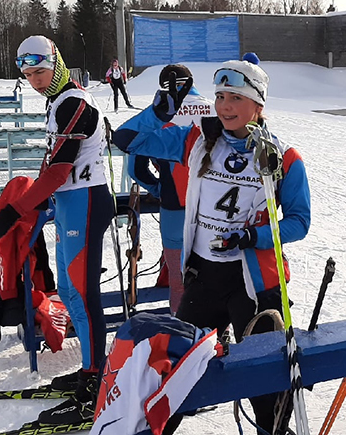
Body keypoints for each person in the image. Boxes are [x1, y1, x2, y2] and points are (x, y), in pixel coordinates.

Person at [112, 53, 310, 435]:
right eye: (221, 97)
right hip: (205, 278)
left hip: (254, 286)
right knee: (178, 371)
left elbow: (300, 222)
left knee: (266, 385)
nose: (225, 106)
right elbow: (126, 140)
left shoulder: (282, 157)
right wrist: (158, 111)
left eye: (235, 98)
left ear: (257, 104)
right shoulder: (197, 140)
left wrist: (255, 236)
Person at [0, 34, 112, 426]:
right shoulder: (58, 102)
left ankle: (97, 376)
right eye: (29, 75)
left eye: (41, 71)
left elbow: (59, 168)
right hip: (70, 202)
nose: (35, 81)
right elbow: (54, 163)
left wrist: (14, 211)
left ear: (57, 63)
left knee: (84, 295)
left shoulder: (75, 102)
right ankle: (90, 367)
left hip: (85, 200)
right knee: (68, 291)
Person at [127, 64, 216, 313]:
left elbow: (135, 169)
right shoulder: (216, 107)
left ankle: (183, 337)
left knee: (178, 284)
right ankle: (218, 338)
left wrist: (158, 188)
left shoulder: (159, 113)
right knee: (216, 277)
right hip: (213, 206)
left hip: (174, 206)